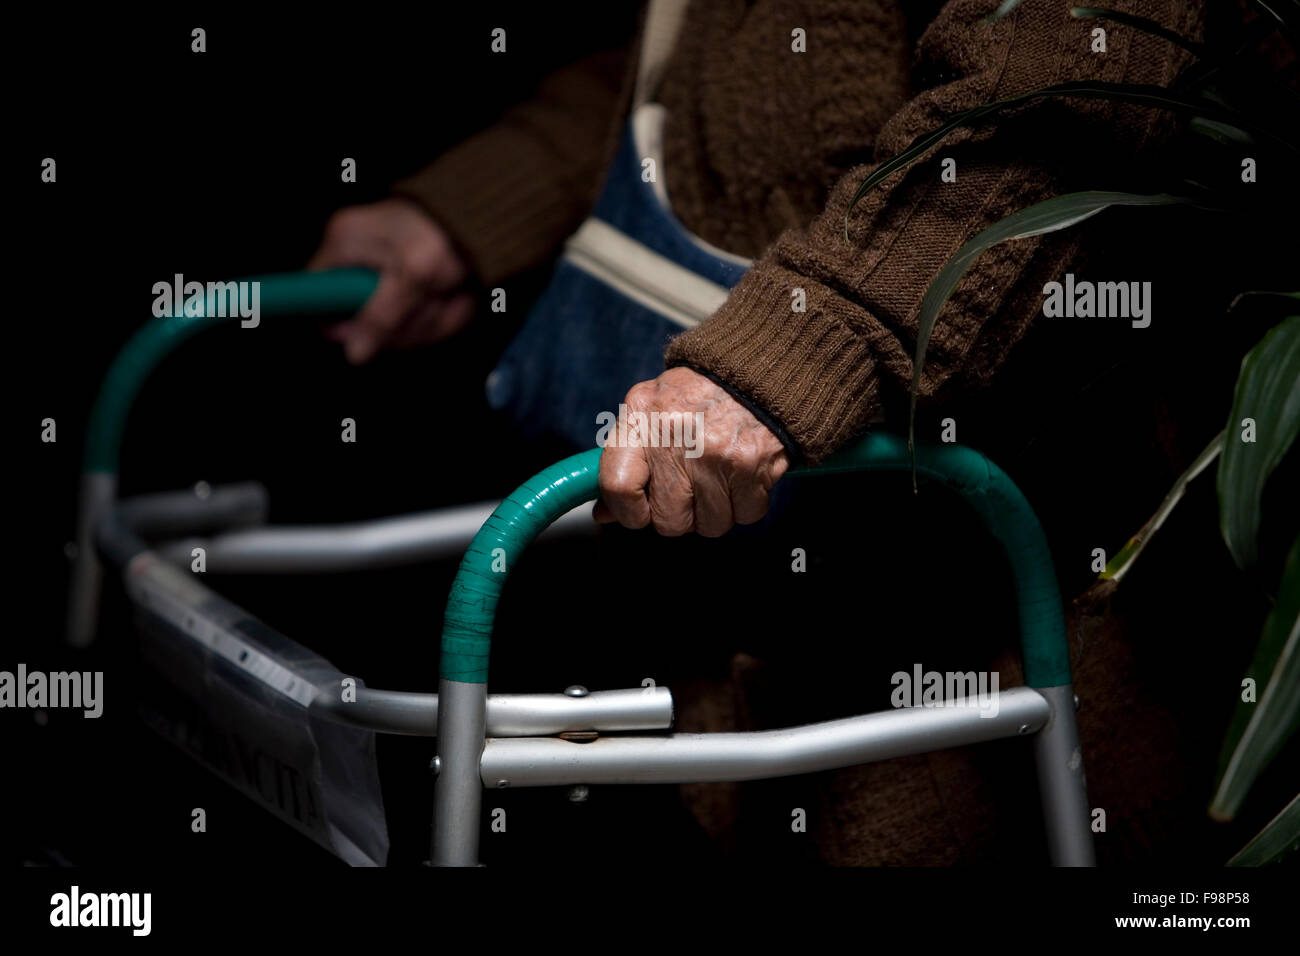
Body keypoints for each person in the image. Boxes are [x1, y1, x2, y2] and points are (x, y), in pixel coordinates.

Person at [309, 0, 1230, 864]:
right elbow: (698, 72)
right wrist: (468, 211)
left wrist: (806, 344)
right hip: (719, 629)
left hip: (973, 614)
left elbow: (1065, 86)